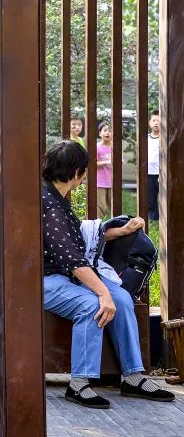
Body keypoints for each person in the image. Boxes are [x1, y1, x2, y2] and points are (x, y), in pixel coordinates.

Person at [40, 140, 175, 408]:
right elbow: (72, 259)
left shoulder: (57, 198)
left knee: (121, 299)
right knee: (92, 305)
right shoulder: (50, 207)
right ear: (76, 173)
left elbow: (77, 236)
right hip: (44, 280)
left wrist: (120, 231)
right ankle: (79, 384)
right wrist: (102, 293)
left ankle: (133, 376)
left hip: (69, 275)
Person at [95, 122, 113, 219]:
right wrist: (105, 162)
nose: (107, 133)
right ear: (100, 133)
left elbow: (121, 161)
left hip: (112, 182)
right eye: (105, 130)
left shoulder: (115, 147)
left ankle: (116, 223)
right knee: (100, 206)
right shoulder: (97, 147)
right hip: (100, 182)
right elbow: (92, 164)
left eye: (110, 131)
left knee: (114, 206)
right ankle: (98, 224)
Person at [148, 111, 161, 222]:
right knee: (150, 199)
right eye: (154, 120)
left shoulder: (164, 138)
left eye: (159, 121)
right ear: (149, 122)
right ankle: (153, 221)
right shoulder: (146, 138)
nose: (156, 123)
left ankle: (164, 220)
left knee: (163, 198)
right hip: (149, 173)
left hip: (161, 173)